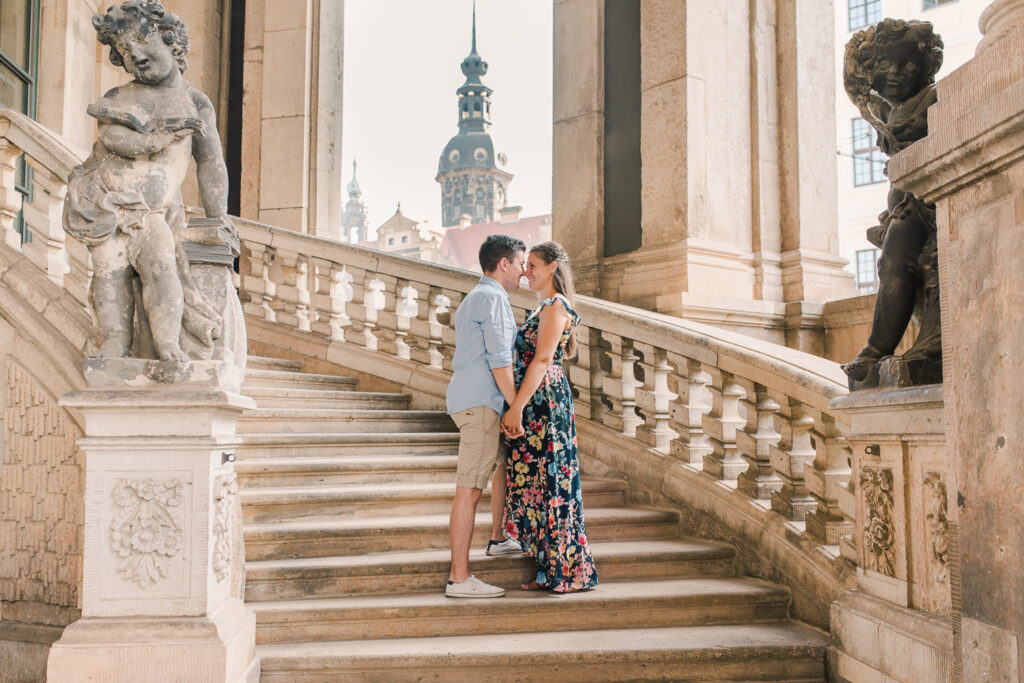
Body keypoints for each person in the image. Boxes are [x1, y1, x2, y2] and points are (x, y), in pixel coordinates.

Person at [64, 0, 226, 362]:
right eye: (124, 49)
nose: (134, 54)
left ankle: (167, 339)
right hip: (105, 210)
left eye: (142, 40)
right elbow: (112, 139)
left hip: (150, 213)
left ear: (172, 40)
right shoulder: (117, 98)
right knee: (109, 278)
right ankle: (116, 340)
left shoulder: (194, 103)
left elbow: (211, 163)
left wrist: (219, 217)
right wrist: (154, 140)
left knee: (161, 268)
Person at [500, 241, 598, 593]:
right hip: (539, 400)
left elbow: (542, 361)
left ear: (553, 267)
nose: (526, 271)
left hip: (544, 403)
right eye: (524, 265)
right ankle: (549, 570)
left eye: (533, 265)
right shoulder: (543, 308)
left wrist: (516, 407)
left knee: (553, 484)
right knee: (542, 483)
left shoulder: (557, 307)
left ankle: (565, 573)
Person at [445, 235, 526, 599]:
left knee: (496, 469)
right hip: (481, 403)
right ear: (504, 264)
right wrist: (516, 407)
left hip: (476, 400)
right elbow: (499, 360)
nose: (524, 270)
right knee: (469, 489)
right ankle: (459, 578)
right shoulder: (492, 299)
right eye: (521, 262)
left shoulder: (476, 297)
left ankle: (497, 538)